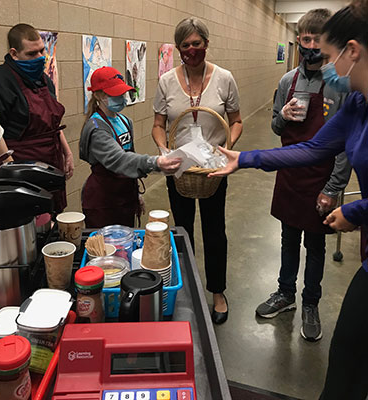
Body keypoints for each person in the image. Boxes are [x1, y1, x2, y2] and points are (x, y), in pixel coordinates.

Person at [209, 0, 368, 396]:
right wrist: (245, 158)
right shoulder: (360, 105)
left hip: (341, 204)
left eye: (330, 56)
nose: (327, 66)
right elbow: (314, 147)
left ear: (352, 51)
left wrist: (353, 206)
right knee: (347, 360)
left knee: (351, 352)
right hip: (333, 214)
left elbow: (333, 158)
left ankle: (309, 301)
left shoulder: (345, 96)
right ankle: (286, 292)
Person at [255, 9, 352, 342]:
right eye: (306, 39)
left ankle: (311, 302)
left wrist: (333, 188)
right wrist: (282, 115)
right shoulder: (287, 82)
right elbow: (274, 126)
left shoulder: (338, 84)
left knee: (315, 245)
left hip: (321, 180)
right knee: (287, 239)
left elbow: (344, 144)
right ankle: (285, 294)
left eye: (317, 40)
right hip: (290, 176)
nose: (311, 45)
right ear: (299, 40)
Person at [152, 17, 243, 324]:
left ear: (206, 43)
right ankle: (186, 289)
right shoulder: (166, 81)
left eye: (197, 43)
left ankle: (217, 292)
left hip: (213, 168)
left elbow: (236, 120)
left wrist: (225, 148)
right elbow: (158, 125)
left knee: (215, 230)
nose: (191, 50)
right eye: (185, 45)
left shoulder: (224, 78)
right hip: (179, 168)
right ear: (178, 48)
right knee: (182, 231)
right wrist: (164, 151)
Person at [0, 23, 74, 213]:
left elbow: (53, 124)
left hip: (52, 160)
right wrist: (12, 179)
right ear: (14, 53)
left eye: (42, 51)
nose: (40, 58)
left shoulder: (44, 80)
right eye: (32, 54)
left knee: (54, 215)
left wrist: (67, 152)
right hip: (21, 169)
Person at [79, 66, 181, 228]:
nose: (121, 98)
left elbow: (129, 158)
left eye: (122, 93)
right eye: (114, 94)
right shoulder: (97, 127)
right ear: (99, 95)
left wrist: (135, 195)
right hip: (103, 201)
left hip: (125, 196)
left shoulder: (125, 121)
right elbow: (119, 160)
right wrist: (155, 163)